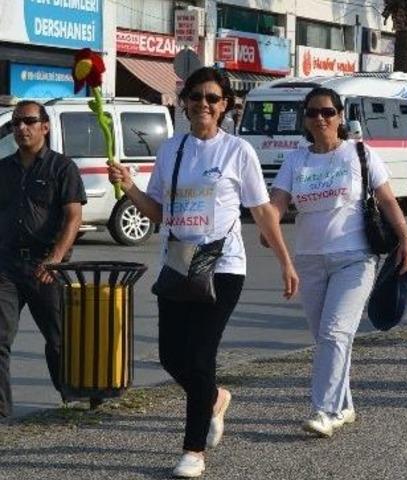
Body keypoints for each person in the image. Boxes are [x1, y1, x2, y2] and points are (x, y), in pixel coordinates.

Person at [108, 67, 299, 478]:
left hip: (223, 265)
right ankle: (214, 398)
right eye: (196, 97)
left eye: (213, 98)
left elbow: (262, 210)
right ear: (185, 103)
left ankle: (193, 450)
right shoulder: (171, 150)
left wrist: (285, 260)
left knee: (199, 355)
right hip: (178, 262)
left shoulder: (238, 151)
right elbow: (159, 211)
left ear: (226, 105)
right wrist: (128, 187)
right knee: (169, 355)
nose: (204, 105)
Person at [269, 87, 407, 437]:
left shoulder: (359, 154)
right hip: (310, 259)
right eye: (313, 113)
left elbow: (388, 200)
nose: (320, 118)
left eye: (328, 112)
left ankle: (325, 410)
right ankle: (345, 404)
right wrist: (267, 227)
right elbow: (276, 203)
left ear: (339, 116)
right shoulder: (295, 160)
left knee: (336, 333)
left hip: (354, 258)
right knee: (327, 338)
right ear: (304, 119)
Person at [0, 100, 86, 419]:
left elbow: (73, 217)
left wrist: (55, 259)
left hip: (46, 266)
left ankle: (71, 398)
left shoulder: (62, 168)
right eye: (15, 123)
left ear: (44, 127)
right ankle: (1, 410)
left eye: (28, 121)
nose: (21, 128)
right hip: (6, 265)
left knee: (58, 336)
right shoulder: (3, 169)